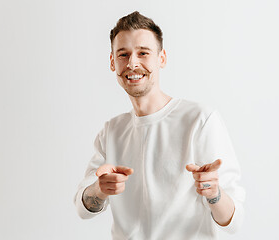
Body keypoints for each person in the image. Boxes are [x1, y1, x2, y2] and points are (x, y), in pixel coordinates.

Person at [74, 11, 245, 239]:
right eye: (123, 54)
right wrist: (100, 189)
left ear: (161, 58)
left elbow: (233, 222)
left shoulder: (200, 120)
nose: (132, 63)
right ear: (113, 62)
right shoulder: (111, 131)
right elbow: (82, 209)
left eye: (143, 53)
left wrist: (213, 193)